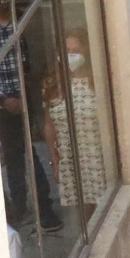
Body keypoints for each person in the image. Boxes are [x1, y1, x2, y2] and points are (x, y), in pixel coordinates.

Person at [0, 0, 59, 231]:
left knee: (32, 154)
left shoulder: (24, 24)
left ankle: (45, 207)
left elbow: (35, 62)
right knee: (13, 157)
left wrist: (25, 97)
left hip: (26, 101)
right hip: (0, 105)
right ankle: (18, 207)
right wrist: (3, 99)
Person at [42, 28, 106, 223]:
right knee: (83, 215)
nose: (71, 56)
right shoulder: (51, 85)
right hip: (71, 158)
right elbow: (49, 125)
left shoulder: (99, 81)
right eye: (66, 51)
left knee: (102, 211)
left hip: (98, 157)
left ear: (86, 51)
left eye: (76, 50)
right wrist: (55, 161)